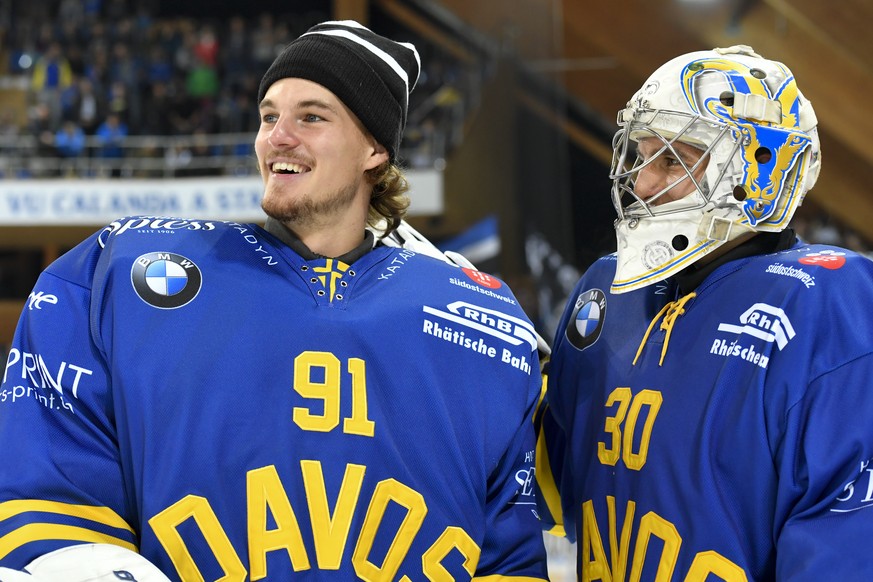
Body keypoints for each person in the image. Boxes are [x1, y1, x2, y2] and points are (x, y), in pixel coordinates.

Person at [0, 20, 549, 581]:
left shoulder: (482, 325)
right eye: (268, 116)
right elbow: (50, 500)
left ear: (374, 149)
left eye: (311, 116)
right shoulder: (123, 274)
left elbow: (510, 555)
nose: (277, 137)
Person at [535, 45, 873, 579]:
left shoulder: (828, 303)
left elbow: (847, 544)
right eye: (641, 155)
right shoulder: (605, 291)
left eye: (672, 158)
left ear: (760, 167)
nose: (644, 183)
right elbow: (548, 487)